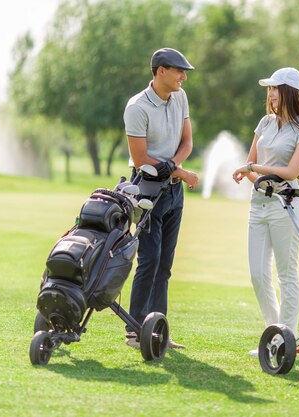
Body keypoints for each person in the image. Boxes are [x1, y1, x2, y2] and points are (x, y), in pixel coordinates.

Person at [232, 67, 299, 355]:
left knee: (287, 275)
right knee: (258, 273)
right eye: (268, 88)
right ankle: (275, 333)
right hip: (260, 205)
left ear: (289, 92)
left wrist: (255, 170)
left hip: (287, 207)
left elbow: (292, 171)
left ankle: (286, 340)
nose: (269, 93)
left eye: (275, 88)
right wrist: (258, 178)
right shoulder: (265, 123)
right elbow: (250, 164)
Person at [123, 47, 199, 349]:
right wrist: (180, 172)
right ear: (160, 71)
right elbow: (140, 158)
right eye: (179, 71)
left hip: (173, 190)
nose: (183, 77)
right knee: (149, 260)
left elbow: (187, 141)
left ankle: (157, 330)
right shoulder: (137, 107)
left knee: (165, 264)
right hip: (146, 189)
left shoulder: (179, 97)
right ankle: (134, 330)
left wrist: (175, 169)